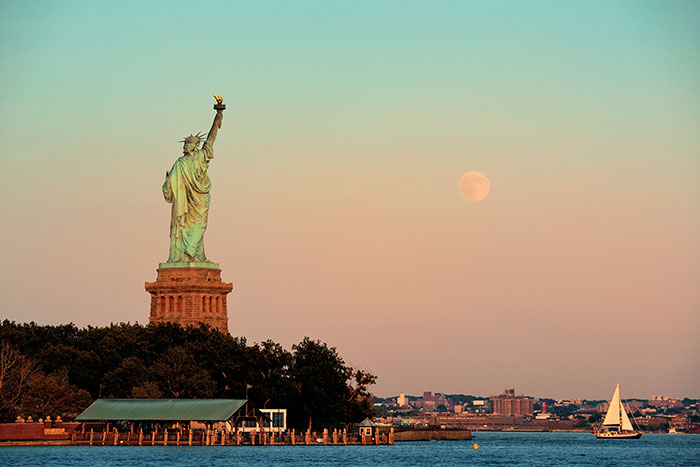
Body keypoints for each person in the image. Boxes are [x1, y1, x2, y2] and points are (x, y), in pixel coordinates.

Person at [162, 100, 224, 263]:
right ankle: (190, 251)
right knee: (198, 225)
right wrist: (217, 117)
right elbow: (211, 140)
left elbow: (168, 190)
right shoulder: (186, 162)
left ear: (193, 146)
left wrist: (217, 118)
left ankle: (190, 251)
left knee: (191, 227)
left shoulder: (180, 164)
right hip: (198, 200)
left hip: (194, 201)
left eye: (189, 143)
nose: (187, 145)